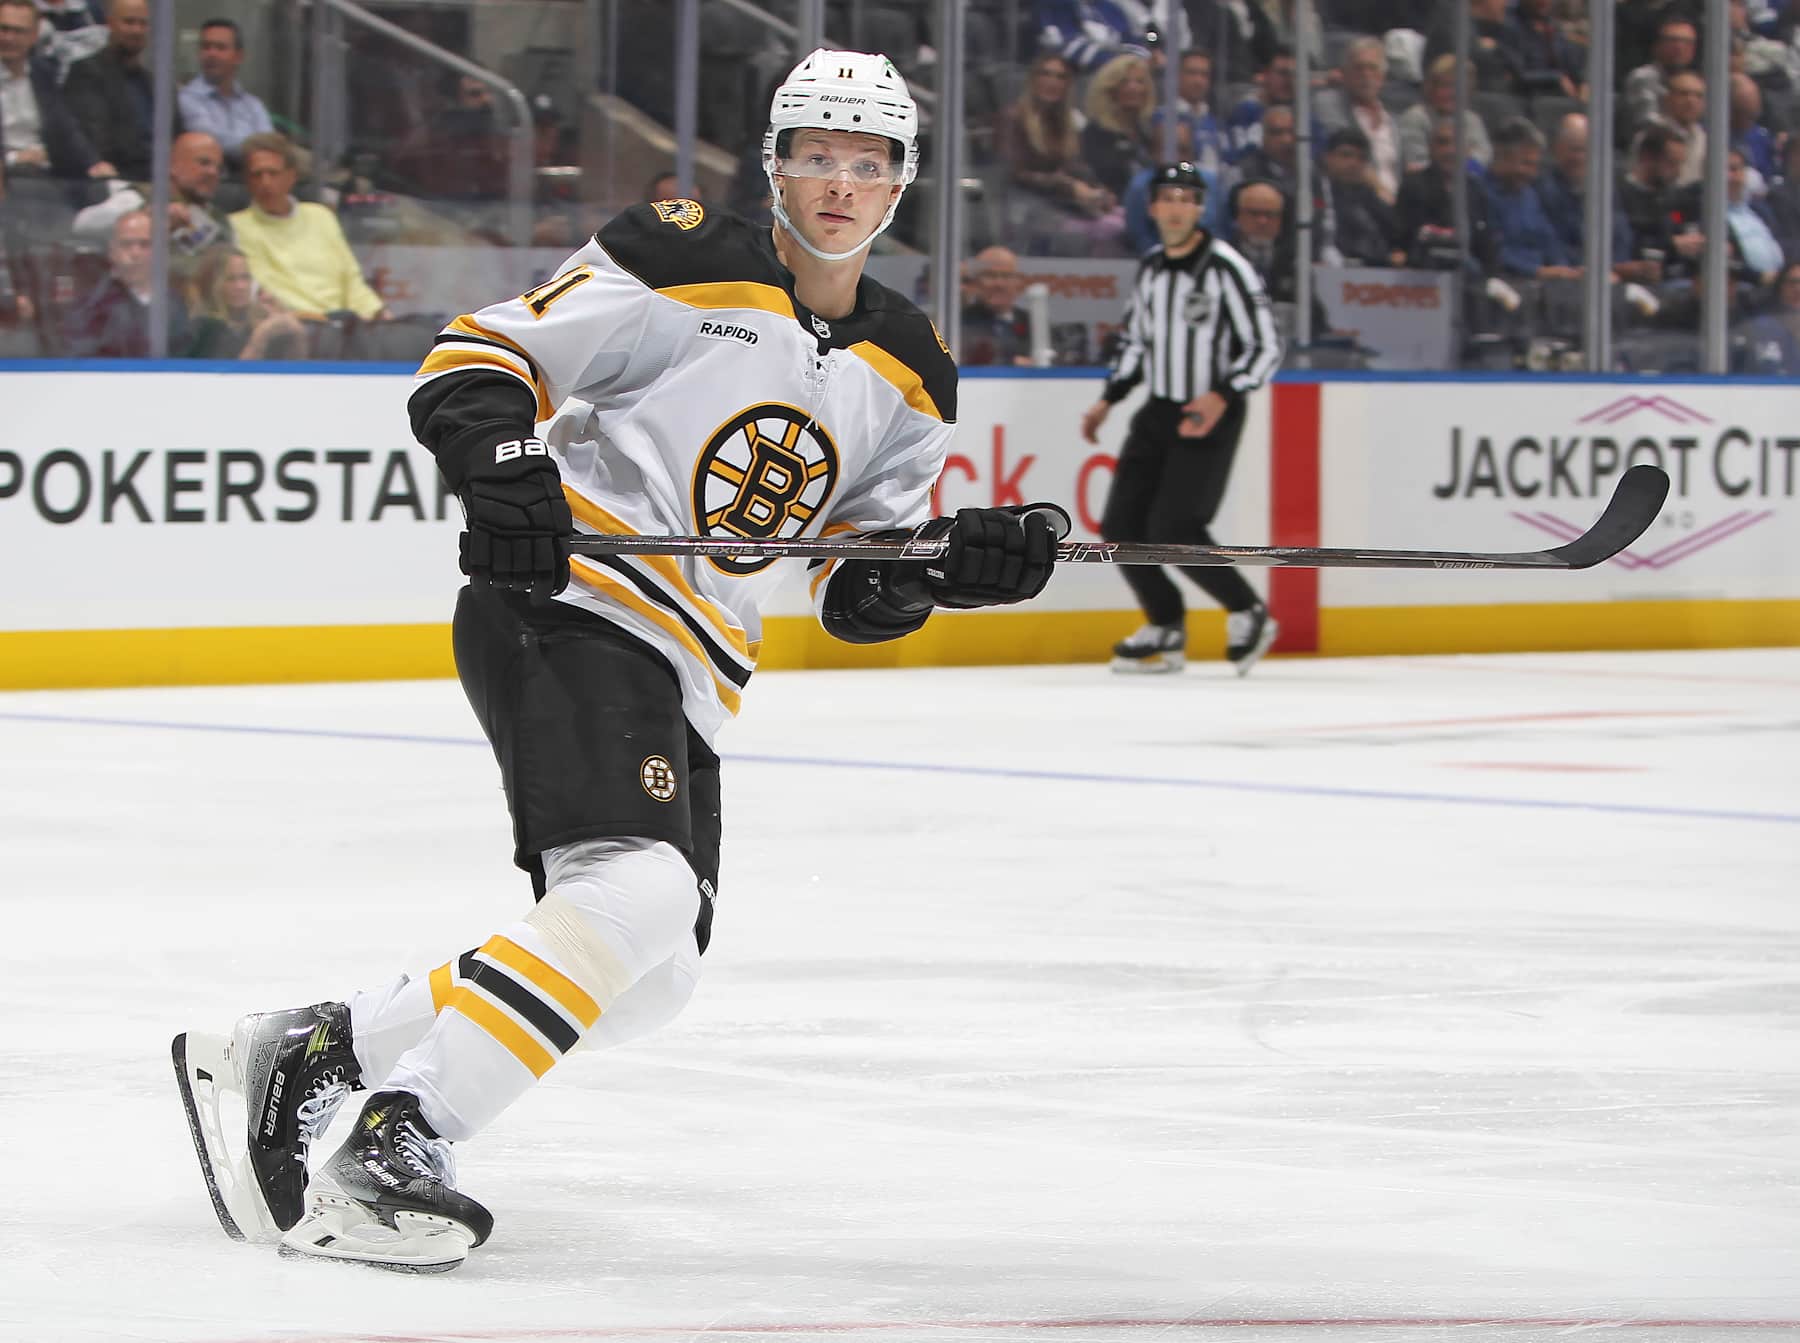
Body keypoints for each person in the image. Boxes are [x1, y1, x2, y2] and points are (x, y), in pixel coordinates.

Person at [172, 48, 1057, 1273]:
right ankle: (398, 1139)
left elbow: (859, 583)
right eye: (815, 154)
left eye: (868, 162)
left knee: (655, 973)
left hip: (690, 668)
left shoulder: (913, 366)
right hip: (569, 601)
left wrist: (956, 568)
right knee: (633, 893)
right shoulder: (685, 254)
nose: (839, 183)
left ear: (903, 179)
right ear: (775, 163)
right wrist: (504, 465)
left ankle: (321, 1048)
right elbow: (479, 356)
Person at [1078, 162, 1281, 677]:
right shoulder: (1149, 267)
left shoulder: (1225, 267)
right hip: (1158, 410)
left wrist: (1222, 394)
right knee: (1121, 527)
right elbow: (1138, 342)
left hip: (1208, 411)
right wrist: (1110, 397)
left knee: (1176, 525)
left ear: (1200, 208)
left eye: (1187, 198)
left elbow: (1265, 346)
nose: (1176, 207)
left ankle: (1247, 610)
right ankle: (1165, 625)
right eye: (1167, 197)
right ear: (1151, 208)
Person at [229, 130, 386, 321]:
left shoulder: (321, 217)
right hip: (291, 329)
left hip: (343, 327)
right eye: (257, 175)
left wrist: (378, 314)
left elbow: (351, 281)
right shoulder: (235, 227)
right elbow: (259, 295)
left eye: (273, 173)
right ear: (247, 181)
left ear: (291, 176)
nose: (266, 183)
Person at [0, 0, 111, 184]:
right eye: (3, 29)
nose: (9, 38)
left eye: (18, 31)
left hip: (44, 177)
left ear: (34, 36)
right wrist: (14, 158)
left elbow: (65, 128)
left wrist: (92, 163)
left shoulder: (42, 74)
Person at [60, 207, 188, 355]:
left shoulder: (175, 303)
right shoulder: (92, 307)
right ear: (112, 251)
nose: (135, 253)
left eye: (145, 244)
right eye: (126, 244)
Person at [60, 0, 159, 181]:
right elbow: (97, 140)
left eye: (142, 23)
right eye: (129, 22)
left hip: (161, 180)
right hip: (114, 179)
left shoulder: (155, 84)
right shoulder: (85, 73)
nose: (136, 30)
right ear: (110, 24)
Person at [183, 245, 306, 359]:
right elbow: (227, 376)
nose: (240, 286)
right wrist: (262, 335)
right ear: (212, 283)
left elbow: (297, 368)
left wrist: (289, 328)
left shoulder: (255, 319)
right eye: (230, 279)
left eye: (245, 278)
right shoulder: (205, 328)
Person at [176, 17, 272, 164]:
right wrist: (256, 145)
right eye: (206, 47)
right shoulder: (187, 99)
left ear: (239, 56)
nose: (211, 54)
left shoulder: (253, 105)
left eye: (220, 48)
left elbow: (272, 147)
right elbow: (211, 142)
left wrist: (263, 147)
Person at [960, 244, 1034, 365]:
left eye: (1007, 276)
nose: (999, 284)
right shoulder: (960, 324)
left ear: (1018, 282)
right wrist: (1010, 362)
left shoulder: (1033, 323)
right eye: (990, 275)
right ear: (975, 282)